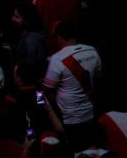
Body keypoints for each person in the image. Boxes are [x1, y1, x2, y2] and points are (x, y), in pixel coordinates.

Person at [43, 20, 102, 150]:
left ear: (59, 37)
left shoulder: (57, 59)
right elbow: (98, 78)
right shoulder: (92, 51)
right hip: (90, 112)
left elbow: (47, 89)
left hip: (70, 117)